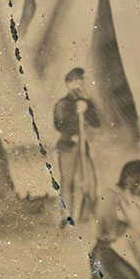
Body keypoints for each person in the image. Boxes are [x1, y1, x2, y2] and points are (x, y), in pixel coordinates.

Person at [53, 67, 100, 225]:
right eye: (75, 81)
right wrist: (76, 111)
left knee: (90, 180)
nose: (79, 84)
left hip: (82, 146)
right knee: (67, 182)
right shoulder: (62, 104)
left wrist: (86, 109)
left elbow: (96, 123)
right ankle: (65, 215)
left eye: (81, 81)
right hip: (67, 147)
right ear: (68, 84)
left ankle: (85, 215)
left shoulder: (86, 102)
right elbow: (59, 124)